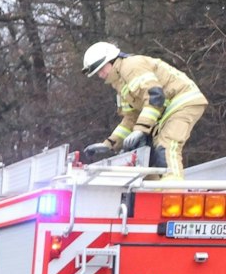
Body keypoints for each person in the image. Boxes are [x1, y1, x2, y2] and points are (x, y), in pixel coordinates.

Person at [81, 42, 208, 181]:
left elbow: (155, 96)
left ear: (111, 60)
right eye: (97, 72)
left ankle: (172, 188)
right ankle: (156, 193)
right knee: (147, 159)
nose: (100, 75)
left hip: (183, 102)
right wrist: (109, 144)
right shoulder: (120, 83)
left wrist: (140, 130)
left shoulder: (131, 66)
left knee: (166, 143)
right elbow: (131, 118)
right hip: (167, 110)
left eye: (101, 69)